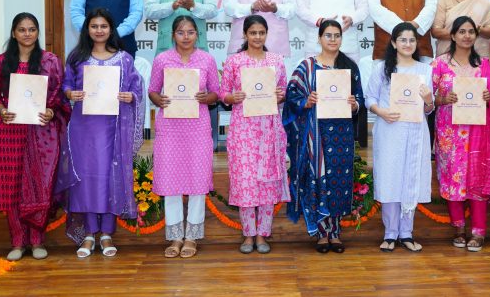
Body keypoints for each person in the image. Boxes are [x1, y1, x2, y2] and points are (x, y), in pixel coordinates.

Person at [57, 8, 144, 258]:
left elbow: (136, 87)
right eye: (94, 26)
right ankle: (88, 234)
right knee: (85, 178)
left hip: (113, 128)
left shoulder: (124, 59)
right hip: (83, 127)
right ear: (87, 29)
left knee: (109, 176)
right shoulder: (77, 58)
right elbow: (66, 85)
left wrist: (130, 96)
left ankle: (106, 233)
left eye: (103, 26)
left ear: (111, 29)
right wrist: (70, 93)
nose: (98, 30)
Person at [0, 13, 68, 261]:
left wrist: (50, 111)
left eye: (32, 29)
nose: (27, 34)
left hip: (40, 131)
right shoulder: (0, 62)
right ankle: (18, 241)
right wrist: (1, 110)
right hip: (9, 132)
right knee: (12, 186)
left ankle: (37, 240)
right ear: (14, 33)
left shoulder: (50, 61)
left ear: (37, 33)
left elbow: (58, 95)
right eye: (22, 30)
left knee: (38, 183)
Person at [283, 20, 364, 254]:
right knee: (317, 177)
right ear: (319, 38)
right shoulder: (307, 66)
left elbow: (360, 99)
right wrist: (306, 101)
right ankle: (321, 233)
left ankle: (335, 233)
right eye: (328, 35)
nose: (333, 39)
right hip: (315, 133)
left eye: (337, 35)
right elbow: (291, 95)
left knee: (338, 179)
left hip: (341, 133)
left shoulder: (349, 67)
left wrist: (354, 104)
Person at [148, 16, 220, 258]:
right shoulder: (162, 59)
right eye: (181, 32)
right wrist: (159, 99)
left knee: (198, 181)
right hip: (170, 128)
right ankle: (175, 236)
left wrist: (206, 98)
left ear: (197, 34)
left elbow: (216, 93)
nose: (186, 37)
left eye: (190, 32)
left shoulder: (207, 59)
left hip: (197, 127)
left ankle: (192, 237)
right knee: (171, 182)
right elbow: (152, 91)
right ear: (173, 35)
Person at [220, 15, 290, 254]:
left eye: (261, 33)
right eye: (253, 33)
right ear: (245, 34)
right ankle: (248, 235)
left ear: (266, 34)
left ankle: (262, 235)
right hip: (243, 130)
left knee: (268, 183)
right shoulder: (234, 61)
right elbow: (223, 93)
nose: (257, 37)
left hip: (269, 129)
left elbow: (283, 91)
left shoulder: (276, 61)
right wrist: (232, 97)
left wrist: (280, 95)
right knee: (246, 181)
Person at [431, 16, 490, 252]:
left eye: (471, 31)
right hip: (449, 133)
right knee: (453, 178)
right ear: (452, 35)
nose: (467, 36)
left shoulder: (483, 64)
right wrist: (442, 99)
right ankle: (459, 229)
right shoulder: (439, 64)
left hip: (477, 133)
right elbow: (427, 99)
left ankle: (478, 232)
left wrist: (489, 98)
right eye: (462, 31)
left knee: (476, 179)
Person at [366, 22, 434, 253]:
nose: (407, 44)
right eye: (403, 40)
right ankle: (390, 233)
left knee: (410, 177)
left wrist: (428, 100)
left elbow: (429, 110)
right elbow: (369, 99)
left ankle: (406, 233)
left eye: (412, 40)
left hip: (416, 132)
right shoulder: (382, 69)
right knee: (390, 178)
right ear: (394, 43)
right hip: (390, 131)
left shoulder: (425, 70)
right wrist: (381, 112)